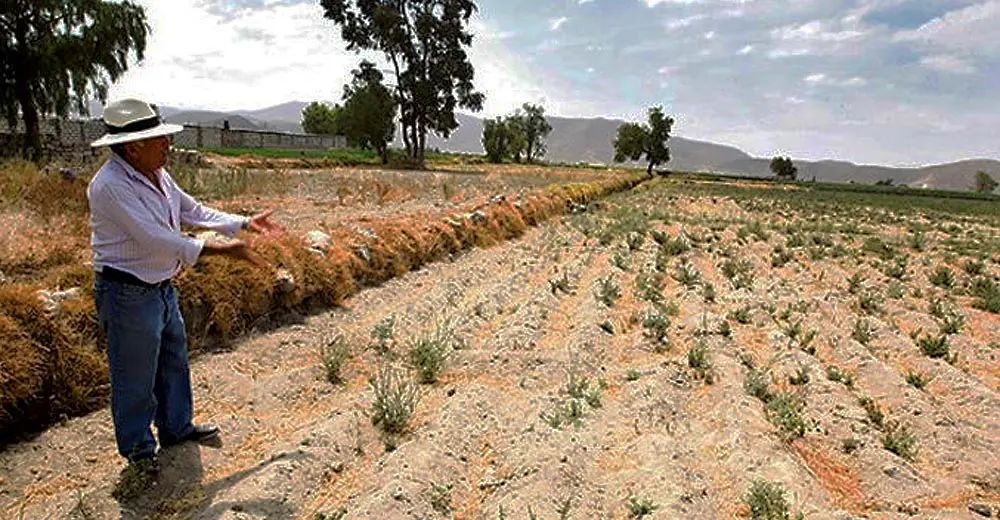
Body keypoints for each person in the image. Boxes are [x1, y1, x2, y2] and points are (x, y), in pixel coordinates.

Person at [87, 98, 281, 473]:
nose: (168, 144)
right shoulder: (110, 187)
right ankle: (140, 453)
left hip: (160, 287)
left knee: (173, 362)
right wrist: (224, 250)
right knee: (134, 375)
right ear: (133, 146)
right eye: (159, 139)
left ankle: (177, 428)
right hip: (127, 292)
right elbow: (158, 239)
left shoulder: (158, 174)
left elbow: (193, 211)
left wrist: (242, 221)